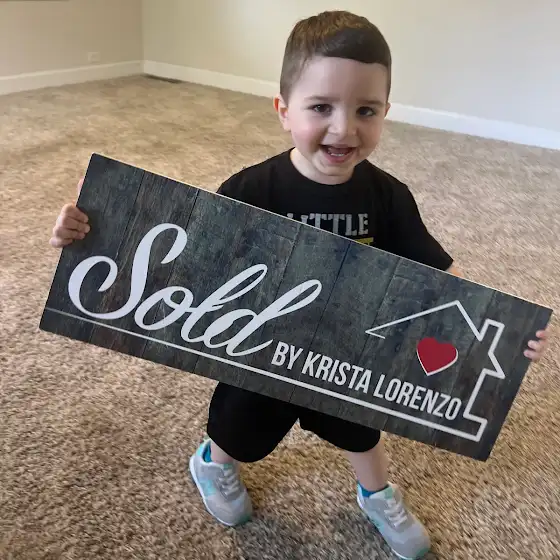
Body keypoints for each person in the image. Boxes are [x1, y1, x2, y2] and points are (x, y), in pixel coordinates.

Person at [50, 10, 550, 560]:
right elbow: (181, 256)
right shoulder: (251, 188)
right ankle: (213, 462)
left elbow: (437, 275)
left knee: (363, 429)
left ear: (386, 112)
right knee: (240, 430)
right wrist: (87, 233)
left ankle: (377, 493)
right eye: (321, 108)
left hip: (344, 353)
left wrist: (502, 329)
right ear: (284, 111)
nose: (344, 129)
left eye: (366, 110)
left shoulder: (388, 197)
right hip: (257, 347)